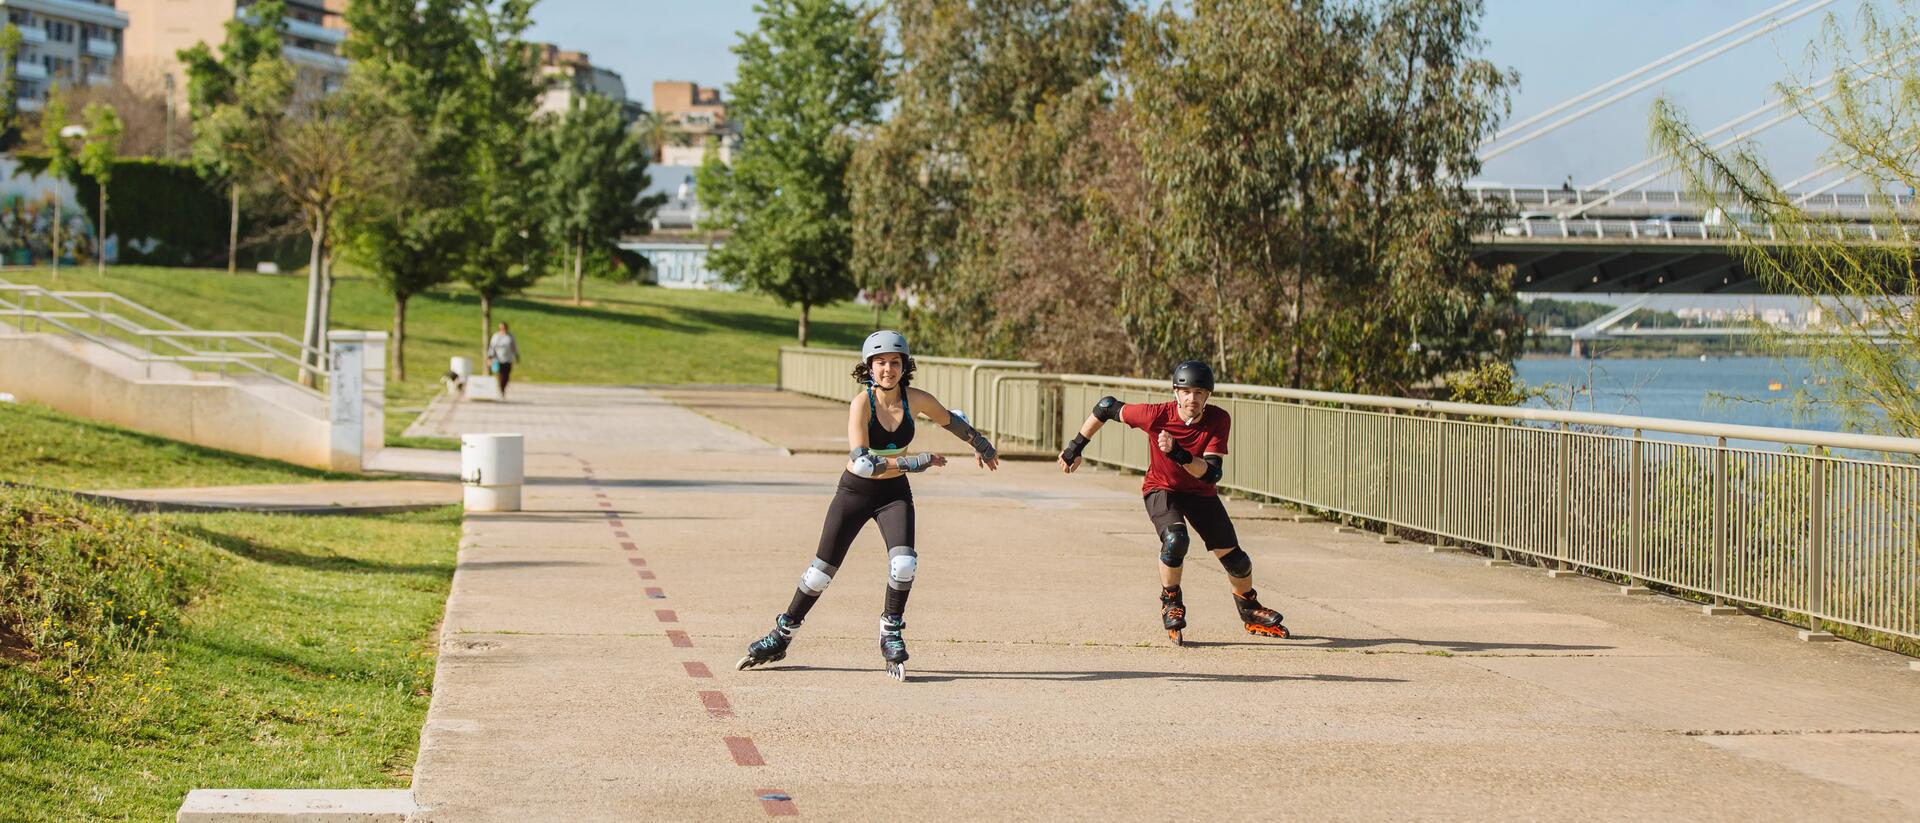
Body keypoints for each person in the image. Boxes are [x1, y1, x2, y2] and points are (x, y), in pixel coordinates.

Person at [738, 330, 1001, 681]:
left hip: (893, 495)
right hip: (856, 492)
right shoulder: (861, 404)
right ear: (869, 368)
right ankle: (782, 635)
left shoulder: (916, 399)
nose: (888, 369)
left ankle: (890, 631)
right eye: (880, 363)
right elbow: (863, 463)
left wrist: (981, 444)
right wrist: (914, 462)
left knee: (904, 564)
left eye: (895, 362)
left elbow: (950, 418)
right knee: (819, 574)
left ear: (905, 366)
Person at [1056, 360, 1289, 645]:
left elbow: (1212, 473)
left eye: (1200, 393)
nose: (1193, 398)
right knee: (1176, 540)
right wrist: (1075, 447)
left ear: (1208, 396)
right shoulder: (1156, 415)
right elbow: (1105, 406)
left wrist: (1179, 454)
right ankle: (1171, 601)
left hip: (1200, 493)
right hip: (1162, 489)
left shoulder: (1218, 419)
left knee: (1238, 561)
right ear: (1176, 393)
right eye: (1186, 391)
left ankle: (1250, 609)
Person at [487, 322, 520, 400]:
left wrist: (517, 356)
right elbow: (492, 347)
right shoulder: (496, 336)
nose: (503, 329)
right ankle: (501, 389)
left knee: (506, 376)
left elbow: (514, 347)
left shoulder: (510, 337)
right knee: (500, 375)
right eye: (501, 328)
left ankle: (503, 388)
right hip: (497, 359)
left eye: (504, 328)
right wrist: (489, 357)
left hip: (508, 359)